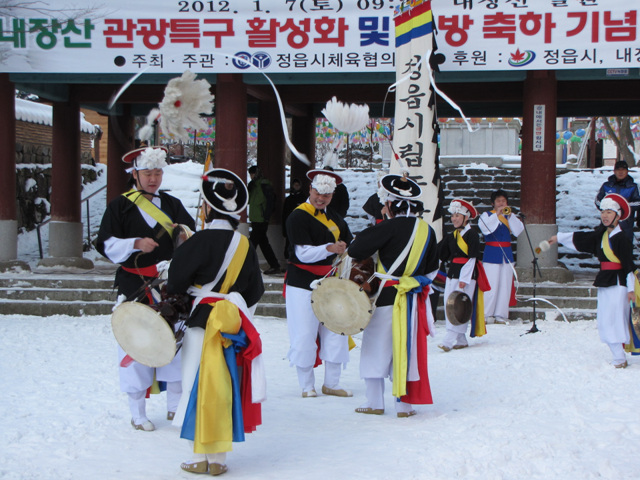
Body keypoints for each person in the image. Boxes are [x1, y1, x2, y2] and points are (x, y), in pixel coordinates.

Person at [166, 168, 266, 476]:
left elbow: (176, 282)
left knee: (196, 382)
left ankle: (199, 456)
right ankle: (220, 460)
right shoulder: (245, 245)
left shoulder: (196, 242)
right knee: (224, 385)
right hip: (230, 322)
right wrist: (234, 305)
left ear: (207, 208)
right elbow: (255, 290)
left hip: (201, 321)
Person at [96, 145, 195, 431]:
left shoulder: (173, 204)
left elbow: (190, 236)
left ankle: (174, 407)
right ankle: (137, 411)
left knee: (175, 342)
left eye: (158, 172)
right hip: (135, 284)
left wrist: (184, 238)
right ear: (135, 174)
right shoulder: (120, 206)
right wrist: (135, 244)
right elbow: (105, 243)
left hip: (170, 286)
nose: (153, 178)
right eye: (148, 173)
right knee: (136, 343)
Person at [347, 173, 438, 418]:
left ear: (389, 204)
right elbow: (432, 270)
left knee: (376, 347)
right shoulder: (427, 231)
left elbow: (355, 249)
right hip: (411, 299)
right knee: (406, 349)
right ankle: (404, 406)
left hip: (386, 296)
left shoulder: (386, 227)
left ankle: (375, 402)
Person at [284, 169, 353, 398]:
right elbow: (302, 254)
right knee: (304, 332)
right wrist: (329, 249)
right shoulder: (297, 216)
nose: (321, 198)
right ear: (310, 189)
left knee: (336, 330)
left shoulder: (335, 216)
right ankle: (306, 385)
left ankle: (332, 383)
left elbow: (348, 242)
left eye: (327, 195)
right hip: (302, 282)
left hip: (331, 282)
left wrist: (345, 251)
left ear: (332, 196)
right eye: (318, 192)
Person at [549, 193, 637, 369]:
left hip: (619, 283)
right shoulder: (601, 234)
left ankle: (619, 358)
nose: (605, 215)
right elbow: (583, 238)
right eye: (603, 211)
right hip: (605, 281)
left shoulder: (622, 239)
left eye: (609, 212)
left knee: (615, 319)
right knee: (605, 319)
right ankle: (618, 355)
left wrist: (631, 288)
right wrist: (559, 238)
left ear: (618, 216)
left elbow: (628, 265)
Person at [437, 199, 488, 351]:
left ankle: (448, 339)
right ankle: (461, 339)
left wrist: (464, 279)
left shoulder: (472, 234)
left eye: (457, 216)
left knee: (459, 306)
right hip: (452, 274)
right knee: (449, 303)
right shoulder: (452, 235)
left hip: (465, 276)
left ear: (466, 217)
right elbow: (441, 253)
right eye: (452, 216)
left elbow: (472, 258)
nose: (454, 219)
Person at [478, 189, 524, 325]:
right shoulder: (486, 216)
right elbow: (486, 229)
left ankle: (501, 314)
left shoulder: (509, 216)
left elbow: (518, 231)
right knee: (491, 285)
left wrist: (510, 217)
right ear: (493, 203)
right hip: (492, 252)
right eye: (498, 201)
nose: (501, 203)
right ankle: (486, 314)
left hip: (507, 253)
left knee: (505, 285)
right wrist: (497, 215)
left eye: (503, 201)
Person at [248, 165, 283, 275]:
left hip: (261, 219)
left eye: (253, 173)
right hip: (255, 218)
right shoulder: (253, 185)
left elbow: (270, 202)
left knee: (252, 243)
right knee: (264, 243)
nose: (251, 176)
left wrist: (266, 216)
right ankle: (274, 265)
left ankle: (244, 265)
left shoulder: (264, 185)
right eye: (250, 174)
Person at [594, 160, 640, 243]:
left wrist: (622, 207)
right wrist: (608, 208)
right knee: (607, 244)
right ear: (614, 171)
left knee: (625, 245)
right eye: (618, 170)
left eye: (623, 170)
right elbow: (597, 200)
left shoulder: (633, 187)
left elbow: (638, 203)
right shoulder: (606, 185)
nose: (621, 172)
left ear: (627, 171)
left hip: (626, 222)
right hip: (608, 221)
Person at [281, 178, 305, 259]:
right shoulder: (288, 199)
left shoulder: (304, 199)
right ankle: (288, 261)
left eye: (298, 185)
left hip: (301, 226)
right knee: (289, 244)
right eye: (295, 185)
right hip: (290, 225)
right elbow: (284, 214)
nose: (296, 187)